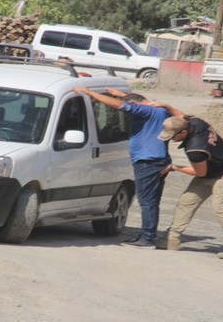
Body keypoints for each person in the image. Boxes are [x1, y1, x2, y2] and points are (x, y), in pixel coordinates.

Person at [72, 86, 182, 248]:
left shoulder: (145, 111)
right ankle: (148, 235)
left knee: (147, 202)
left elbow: (121, 105)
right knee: (151, 200)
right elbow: (134, 101)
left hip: (148, 161)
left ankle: (147, 238)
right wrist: (122, 94)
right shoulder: (158, 110)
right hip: (156, 160)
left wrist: (89, 92)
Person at [156, 113, 223, 260]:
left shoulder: (195, 150)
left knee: (220, 207)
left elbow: (199, 172)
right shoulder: (195, 122)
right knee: (186, 201)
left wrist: (175, 167)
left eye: (173, 136)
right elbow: (181, 115)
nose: (172, 139)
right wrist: (164, 106)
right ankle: (171, 239)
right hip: (211, 170)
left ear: (184, 132)